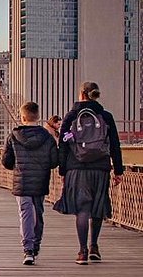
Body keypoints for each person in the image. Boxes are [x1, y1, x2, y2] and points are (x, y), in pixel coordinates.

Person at [53, 81, 124, 264]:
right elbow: (115, 145)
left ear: (82, 95)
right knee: (98, 206)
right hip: (100, 168)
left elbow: (62, 146)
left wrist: (63, 170)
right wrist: (118, 170)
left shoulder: (70, 116)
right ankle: (94, 247)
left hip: (76, 169)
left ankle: (82, 251)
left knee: (82, 208)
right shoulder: (105, 116)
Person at [1, 101, 59, 265]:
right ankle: (35, 246)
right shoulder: (47, 137)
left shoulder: (13, 136)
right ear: (38, 116)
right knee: (38, 213)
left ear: (22, 117)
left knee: (25, 213)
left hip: (22, 181)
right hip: (40, 181)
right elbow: (54, 161)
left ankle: (27, 249)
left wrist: (18, 166)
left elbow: (6, 161)